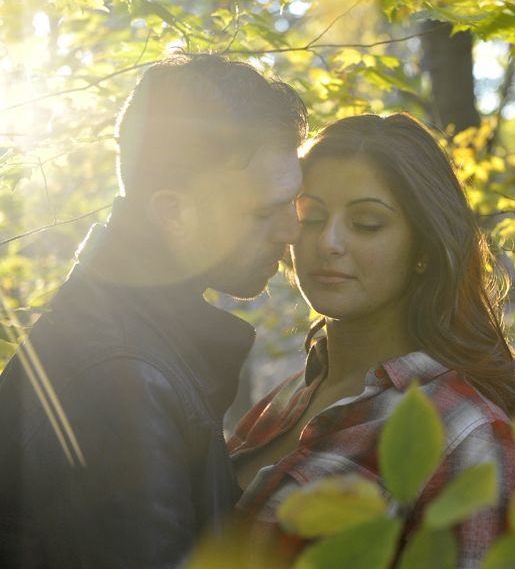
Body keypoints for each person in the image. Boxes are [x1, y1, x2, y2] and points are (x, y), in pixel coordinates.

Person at [0, 54, 307, 568]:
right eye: (262, 212)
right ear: (172, 212)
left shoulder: (124, 334)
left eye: (292, 204)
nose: (292, 232)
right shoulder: (120, 378)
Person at [227, 113, 515, 567]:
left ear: (424, 249)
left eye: (367, 223)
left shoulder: (464, 434)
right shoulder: (289, 396)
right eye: (310, 216)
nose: (328, 242)